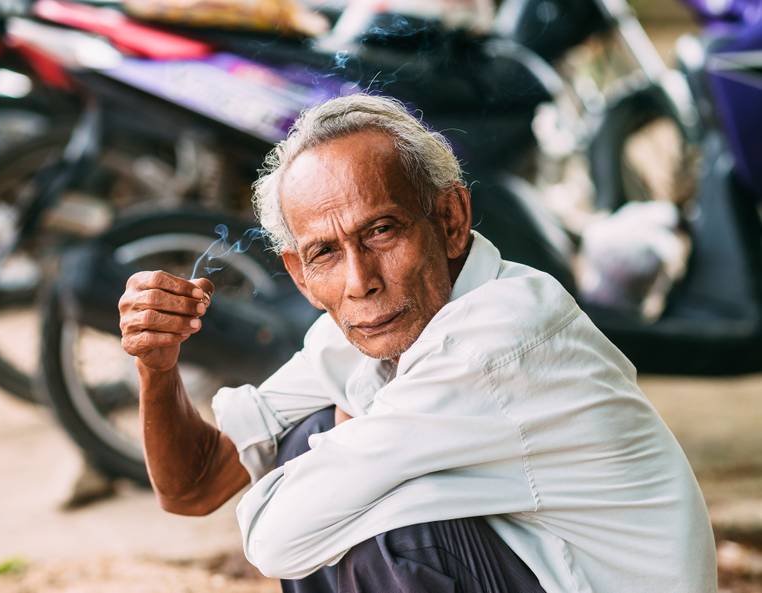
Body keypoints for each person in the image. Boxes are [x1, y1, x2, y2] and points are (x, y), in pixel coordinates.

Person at [118, 94, 717, 592]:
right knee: (312, 445)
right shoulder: (364, 330)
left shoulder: (494, 344)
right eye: (325, 253)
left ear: (452, 220)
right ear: (299, 275)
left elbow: (276, 540)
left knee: (385, 529)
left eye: (381, 231)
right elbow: (194, 488)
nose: (360, 282)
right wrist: (157, 368)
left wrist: (334, 442)